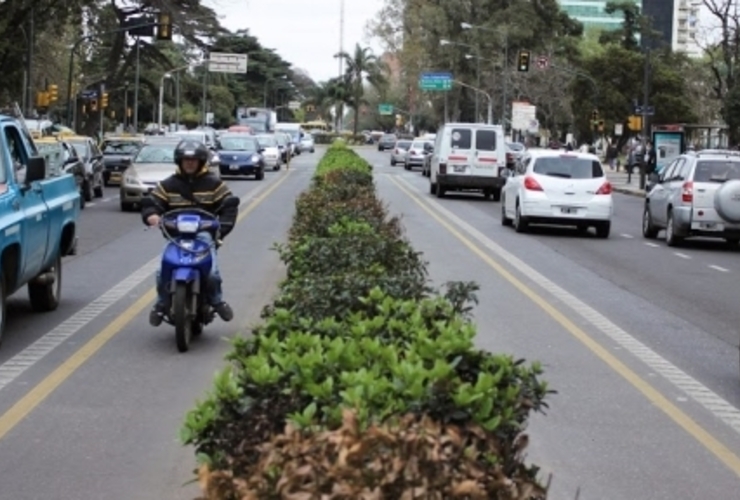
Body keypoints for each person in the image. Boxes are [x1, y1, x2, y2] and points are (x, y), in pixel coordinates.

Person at [141, 140, 237, 327]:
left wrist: (221, 228)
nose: (190, 163)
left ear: (201, 162)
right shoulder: (168, 185)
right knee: (162, 272)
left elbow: (229, 206)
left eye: (194, 160)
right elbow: (152, 203)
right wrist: (152, 216)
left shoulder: (214, 184)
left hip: (204, 237)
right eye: (186, 160)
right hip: (175, 237)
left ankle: (217, 301)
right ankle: (161, 304)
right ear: (180, 161)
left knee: (212, 274)